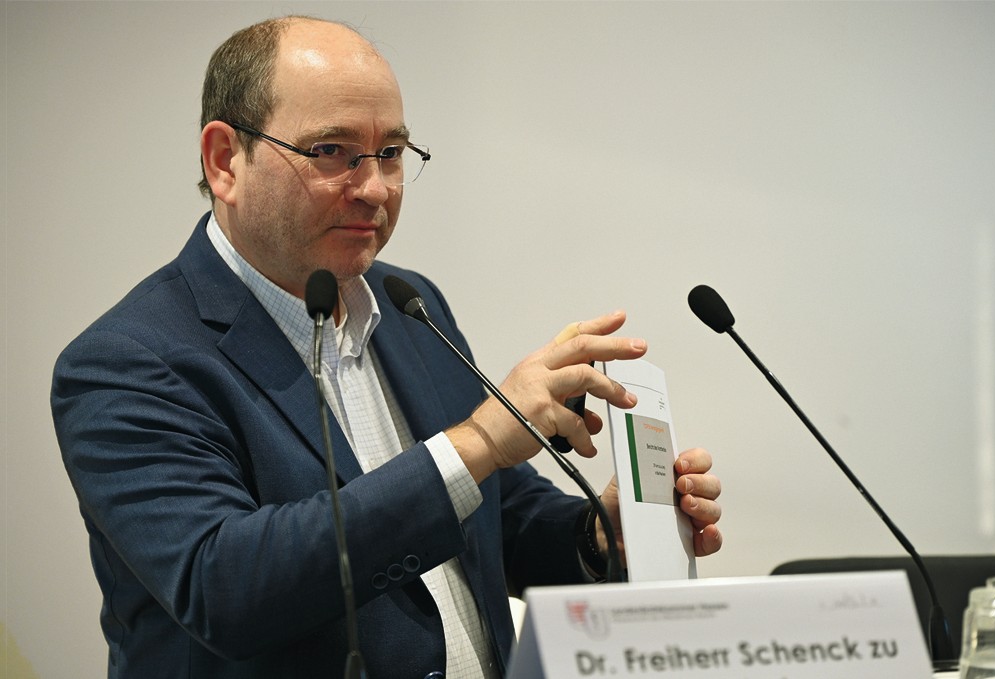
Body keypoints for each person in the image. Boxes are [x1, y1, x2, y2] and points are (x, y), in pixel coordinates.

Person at [51, 15, 722, 679]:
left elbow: (492, 513)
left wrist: (596, 534)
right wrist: (479, 440)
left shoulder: (408, 303)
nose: (374, 187)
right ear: (225, 159)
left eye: (392, 153)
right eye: (331, 151)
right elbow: (224, 585)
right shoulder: (126, 361)